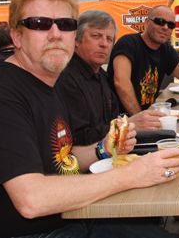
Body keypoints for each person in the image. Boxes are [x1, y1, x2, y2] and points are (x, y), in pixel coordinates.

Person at [0, 0, 179, 238]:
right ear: (17, 36)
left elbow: (63, 157)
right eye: (39, 24)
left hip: (66, 220)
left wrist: (103, 149)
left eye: (65, 24)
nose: (55, 33)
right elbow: (31, 199)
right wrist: (130, 175)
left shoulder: (49, 85)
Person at [56, 10, 167, 145]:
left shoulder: (101, 76)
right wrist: (126, 124)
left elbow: (111, 120)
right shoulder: (65, 78)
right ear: (76, 40)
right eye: (96, 36)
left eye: (109, 39)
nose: (104, 44)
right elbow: (78, 138)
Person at [107, 5, 179, 115]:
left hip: (147, 115)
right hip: (120, 118)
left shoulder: (165, 49)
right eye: (160, 21)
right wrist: (140, 117)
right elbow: (121, 83)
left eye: (171, 25)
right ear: (146, 23)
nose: (165, 27)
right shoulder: (128, 44)